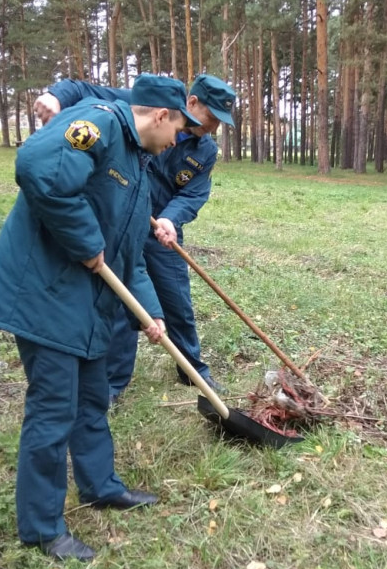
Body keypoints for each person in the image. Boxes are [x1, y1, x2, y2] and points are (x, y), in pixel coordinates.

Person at [0, 74, 201, 561]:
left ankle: (100, 486)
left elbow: (130, 257)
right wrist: (86, 242)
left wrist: (150, 316)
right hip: (47, 295)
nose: (178, 140)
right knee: (53, 411)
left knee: (92, 400)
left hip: (90, 304)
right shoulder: (96, 124)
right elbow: (38, 169)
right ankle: (41, 529)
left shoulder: (137, 166)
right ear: (160, 116)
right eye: (178, 129)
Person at [34, 74, 237, 402]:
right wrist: (55, 96)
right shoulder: (143, 105)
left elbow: (193, 194)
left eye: (220, 121)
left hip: (161, 232)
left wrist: (171, 219)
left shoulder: (205, 151)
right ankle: (111, 387)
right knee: (121, 302)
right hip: (118, 221)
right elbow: (85, 90)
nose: (213, 126)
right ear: (192, 102)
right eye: (211, 117)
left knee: (176, 301)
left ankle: (192, 370)